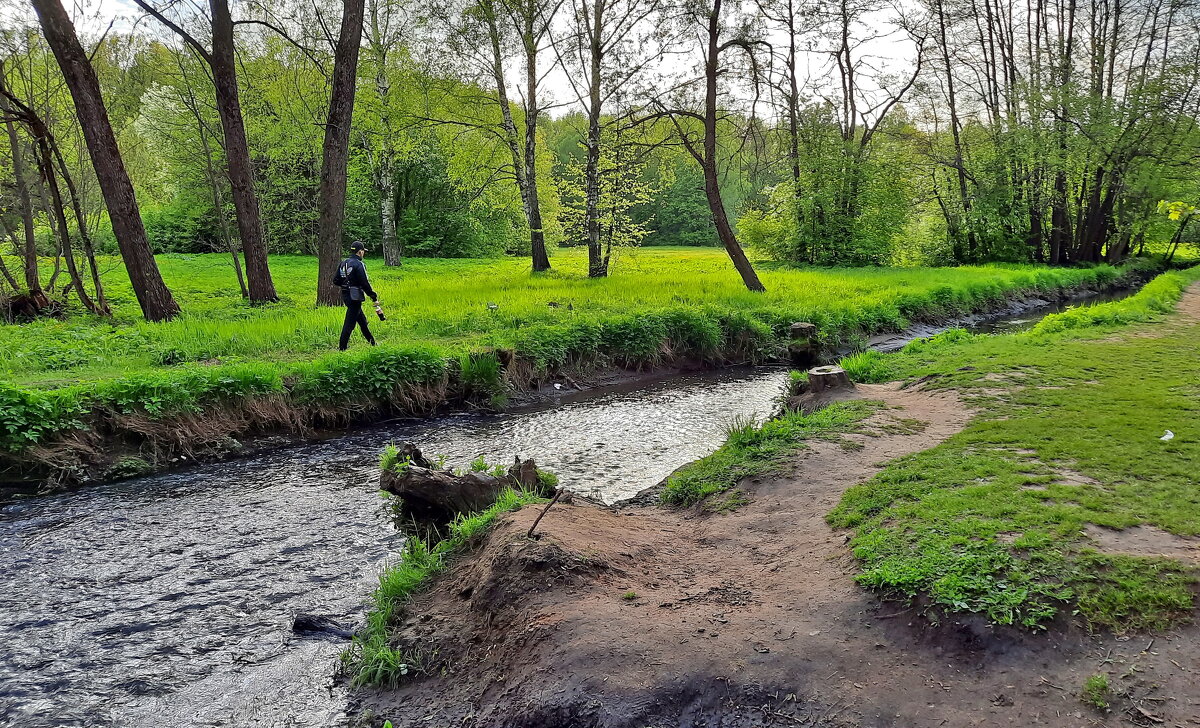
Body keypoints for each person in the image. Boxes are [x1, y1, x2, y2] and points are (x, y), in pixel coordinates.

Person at [332, 241, 379, 350]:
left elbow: (335, 280)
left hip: (346, 296)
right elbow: (364, 282)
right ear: (360, 252)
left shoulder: (343, 263)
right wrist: (373, 296)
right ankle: (342, 349)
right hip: (355, 297)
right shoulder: (359, 264)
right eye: (363, 251)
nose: (364, 253)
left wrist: (346, 285)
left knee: (362, 322)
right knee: (349, 324)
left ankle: (373, 343)